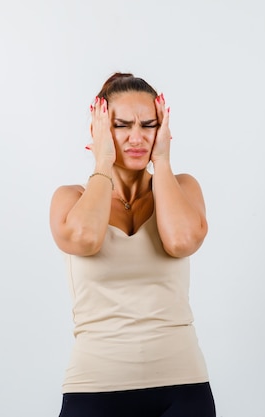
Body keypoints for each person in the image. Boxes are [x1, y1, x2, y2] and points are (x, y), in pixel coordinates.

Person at [49, 73, 216, 417]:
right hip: (95, 388)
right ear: (99, 131)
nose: (137, 137)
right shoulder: (70, 199)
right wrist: (102, 164)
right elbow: (85, 238)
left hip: (183, 387)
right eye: (122, 125)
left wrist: (164, 162)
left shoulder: (183, 188)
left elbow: (181, 241)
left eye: (148, 125)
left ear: (163, 129)